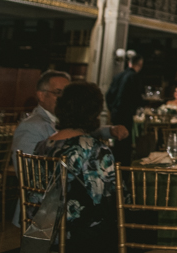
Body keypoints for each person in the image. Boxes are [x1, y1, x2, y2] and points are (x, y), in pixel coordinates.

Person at [10, 70, 128, 226]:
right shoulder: (31, 127)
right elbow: (28, 177)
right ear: (41, 95)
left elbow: (77, 133)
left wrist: (110, 130)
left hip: (44, 221)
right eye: (59, 93)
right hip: (51, 223)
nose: (62, 99)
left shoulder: (46, 143)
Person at [34, 82, 117, 251]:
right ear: (93, 113)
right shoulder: (95, 149)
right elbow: (107, 196)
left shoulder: (43, 145)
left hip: (41, 228)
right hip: (77, 234)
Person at [106, 56, 145, 165]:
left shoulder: (118, 76)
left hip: (115, 113)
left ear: (129, 63)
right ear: (140, 65)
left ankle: (114, 165)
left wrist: (112, 108)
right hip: (126, 113)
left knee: (117, 141)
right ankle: (122, 170)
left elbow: (108, 95)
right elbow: (136, 98)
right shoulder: (134, 77)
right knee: (124, 143)